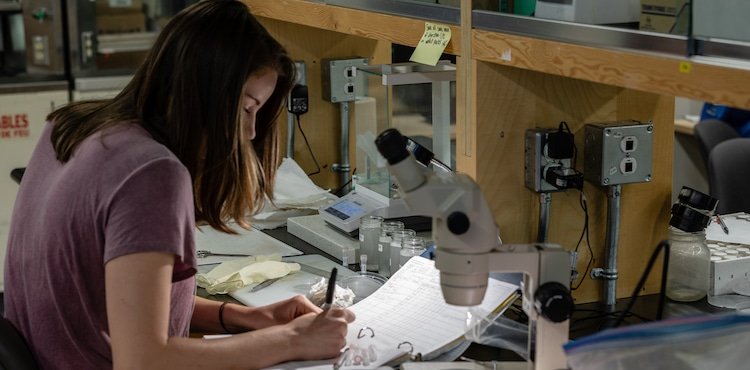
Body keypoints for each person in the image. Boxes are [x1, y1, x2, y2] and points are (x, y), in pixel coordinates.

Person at [3, 1, 354, 369]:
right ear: (206, 93)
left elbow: (126, 303)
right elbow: (143, 360)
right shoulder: (152, 173)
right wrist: (294, 339)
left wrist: (246, 318)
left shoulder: (72, 125)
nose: (251, 133)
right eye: (248, 108)